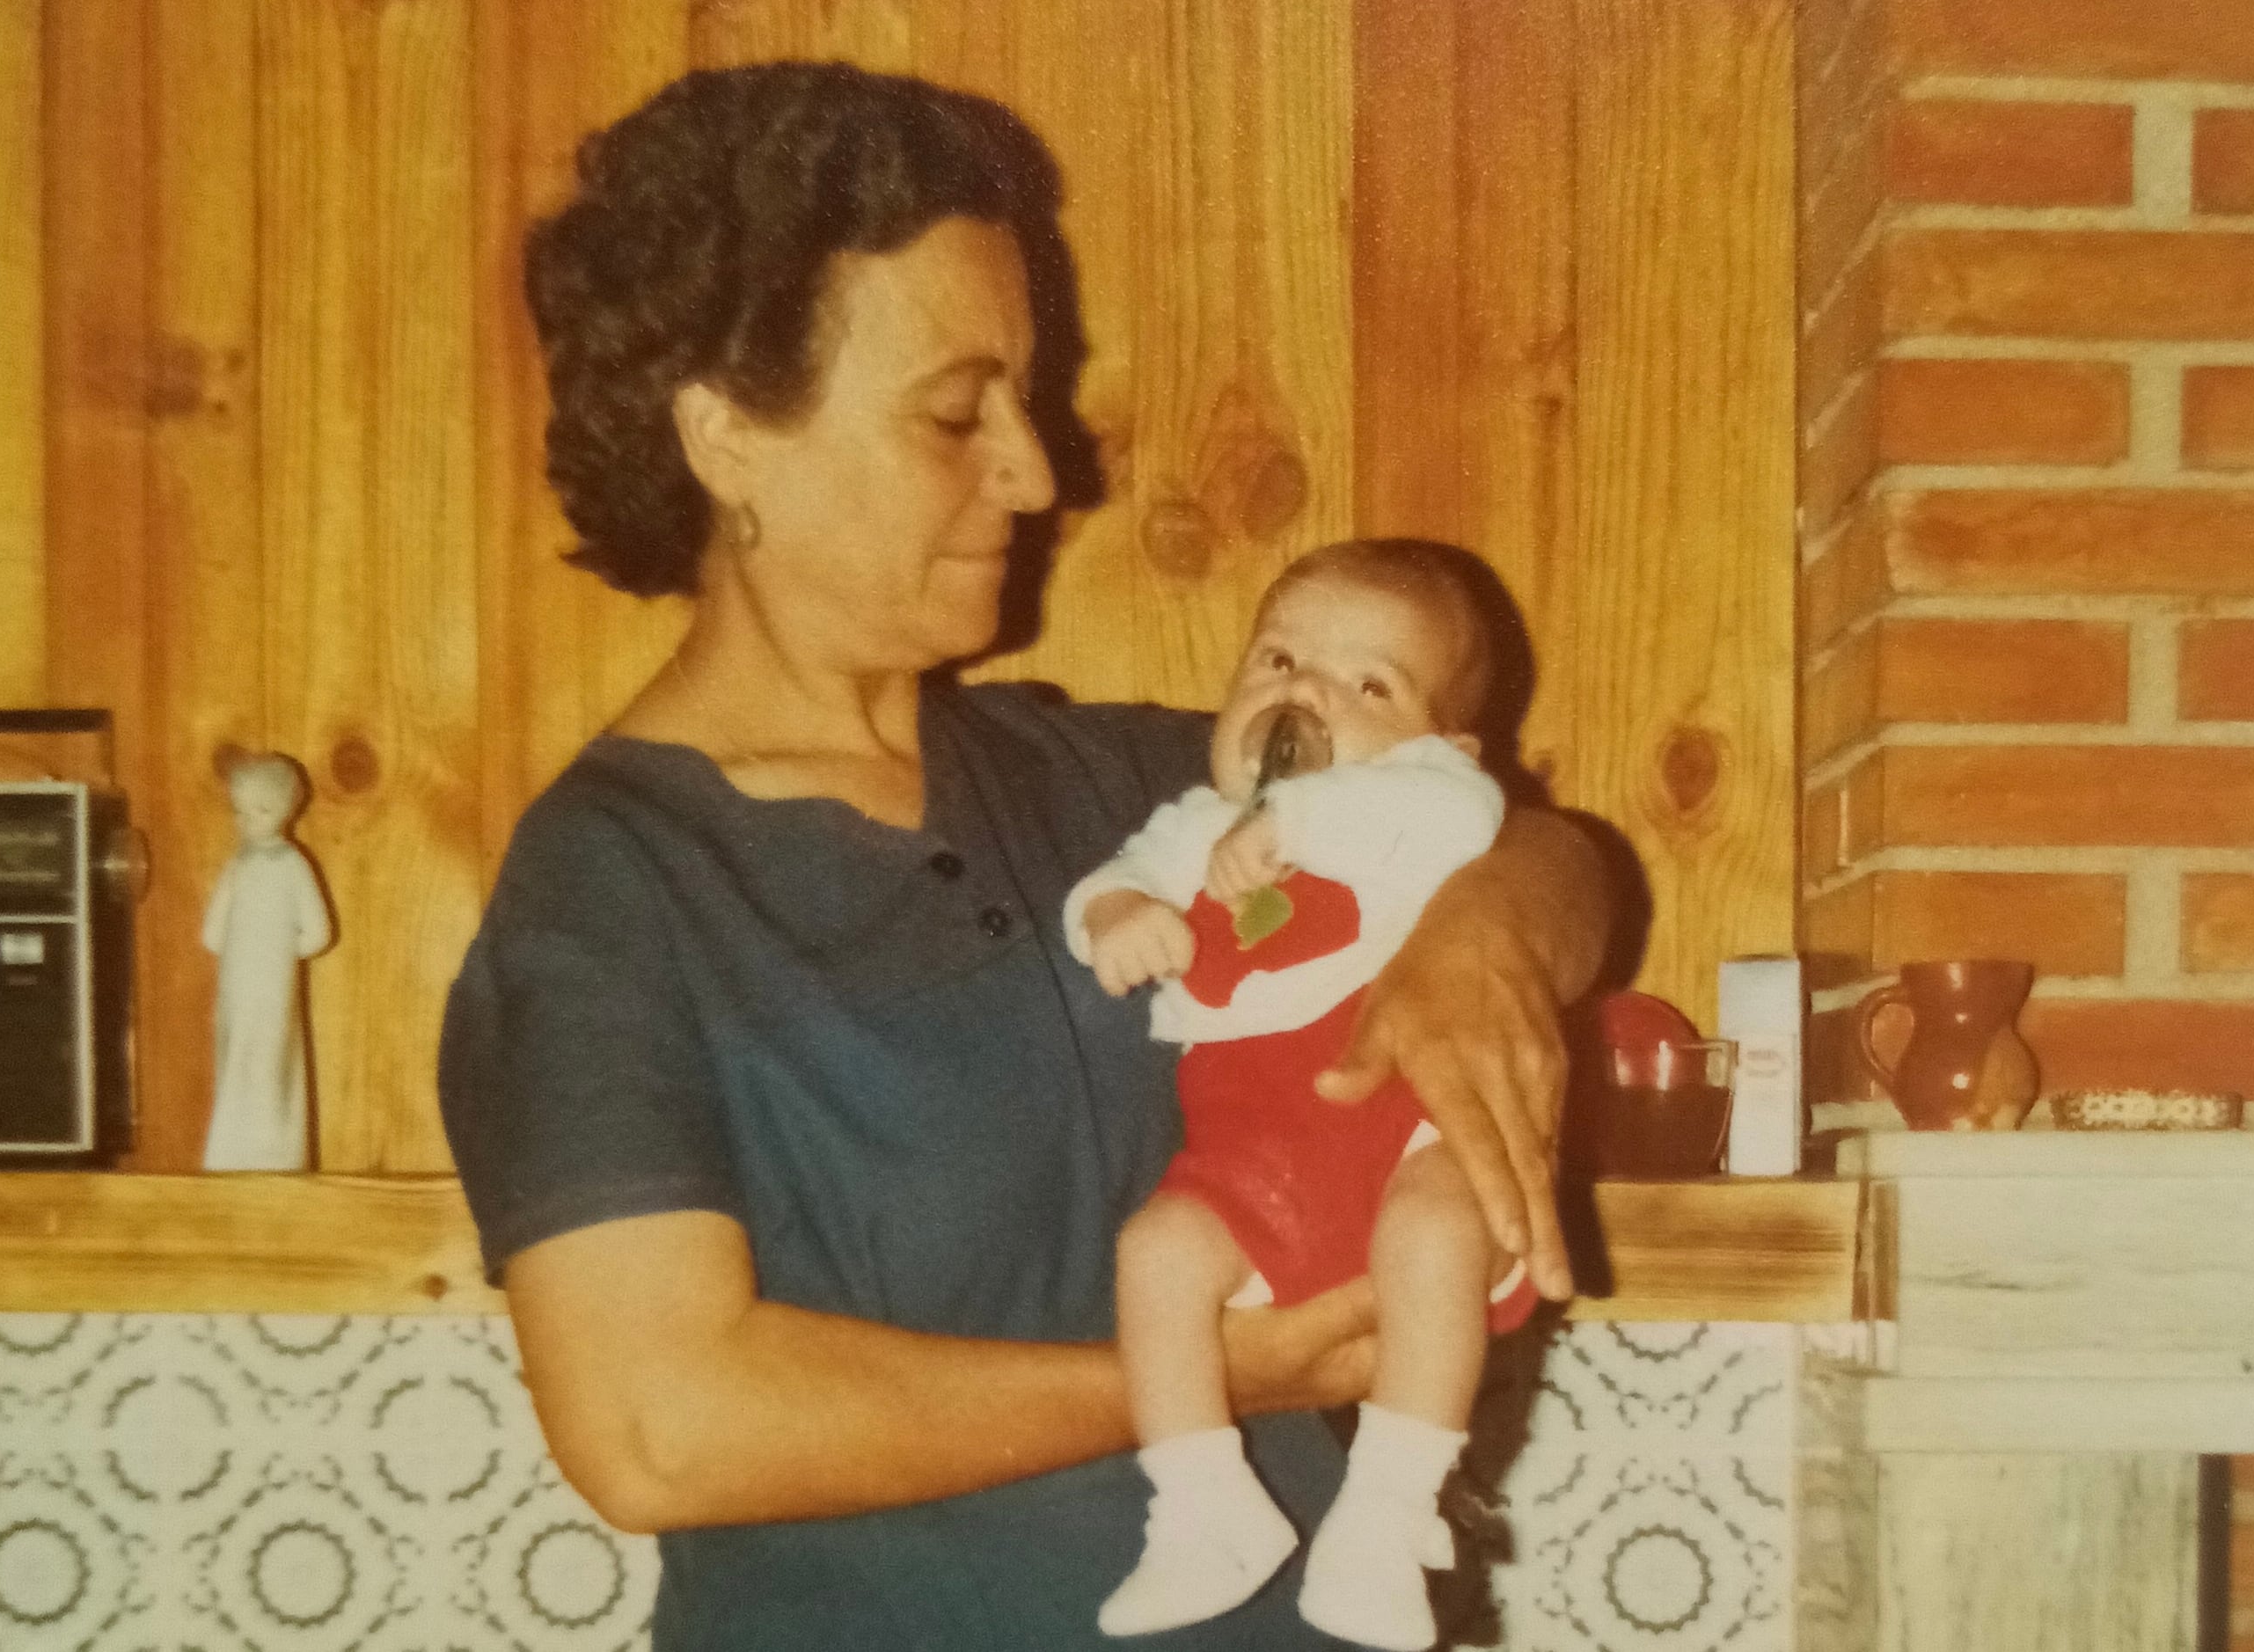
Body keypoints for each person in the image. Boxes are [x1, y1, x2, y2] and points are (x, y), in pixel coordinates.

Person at [436, 61, 1608, 1652]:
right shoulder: (613, 886)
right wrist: (1212, 1379)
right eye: (952, 411)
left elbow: (1541, 847)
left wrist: (1491, 932)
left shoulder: (1105, 781)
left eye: (1027, 398)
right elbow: (661, 1426)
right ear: (726, 436)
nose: (1035, 470)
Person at [1071, 542, 1533, 1649]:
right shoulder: (1190, 828)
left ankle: (1386, 1513)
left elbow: (1464, 823)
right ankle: (1200, 1505)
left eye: (1369, 685)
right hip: (1251, 1159)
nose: (1306, 693)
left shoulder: (1424, 802)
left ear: (1441, 742)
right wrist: (1117, 918)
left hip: (1402, 1135)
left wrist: (1303, 824)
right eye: (1278, 660)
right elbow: (1114, 877)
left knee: (1433, 1230)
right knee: (1158, 1255)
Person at [203, 752, 330, 1172]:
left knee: (272, 1062)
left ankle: (277, 1157)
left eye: (261, 810)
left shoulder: (293, 865)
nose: (247, 821)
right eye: (239, 810)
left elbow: (318, 933)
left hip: (273, 987)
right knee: (236, 1056)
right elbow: (211, 934)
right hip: (238, 985)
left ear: (285, 811)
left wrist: (275, 951)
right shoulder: (237, 866)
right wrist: (251, 950)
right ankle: (229, 1156)